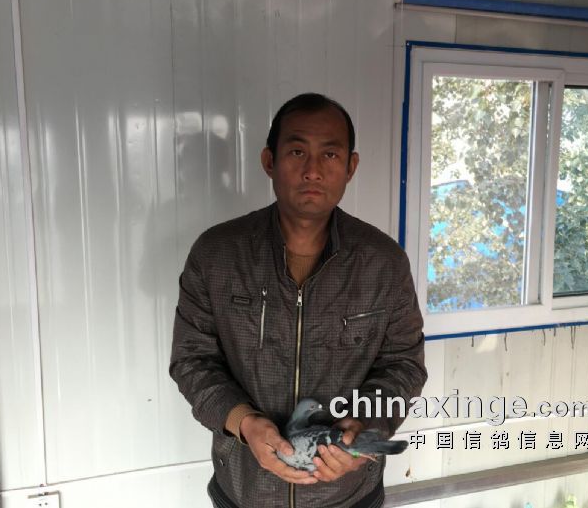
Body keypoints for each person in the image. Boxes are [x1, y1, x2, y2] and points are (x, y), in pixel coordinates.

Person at [170, 93, 427, 508]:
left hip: (349, 497)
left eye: (330, 154)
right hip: (243, 493)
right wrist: (244, 423)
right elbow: (192, 360)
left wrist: (362, 428)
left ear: (351, 166)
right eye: (296, 151)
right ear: (269, 160)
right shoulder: (216, 254)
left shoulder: (383, 263)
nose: (312, 170)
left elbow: (403, 365)